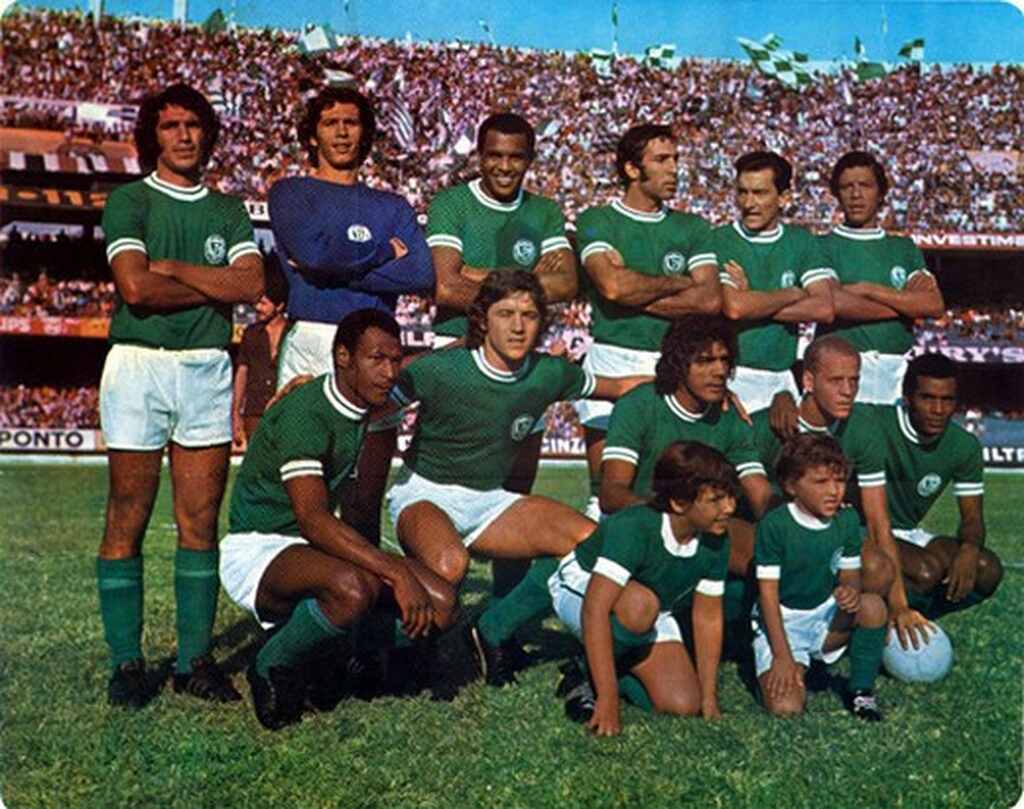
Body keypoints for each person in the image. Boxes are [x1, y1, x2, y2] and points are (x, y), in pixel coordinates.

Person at [97, 82, 264, 707]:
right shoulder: (130, 200)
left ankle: (196, 660)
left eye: (194, 125)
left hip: (205, 367)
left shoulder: (227, 210)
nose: (185, 136)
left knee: (199, 521)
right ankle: (127, 662)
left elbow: (250, 280)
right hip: (139, 364)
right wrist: (215, 288)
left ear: (209, 134)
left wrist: (178, 272)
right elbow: (136, 290)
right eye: (171, 126)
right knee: (127, 517)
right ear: (153, 137)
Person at [220, 309, 456, 730]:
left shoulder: (365, 398)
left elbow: (421, 369)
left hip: (313, 547)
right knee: (353, 587)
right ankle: (272, 662)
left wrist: (471, 344)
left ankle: (335, 652)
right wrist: (396, 575)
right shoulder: (306, 412)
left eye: (395, 360)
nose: (388, 372)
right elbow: (311, 519)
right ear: (343, 356)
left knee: (442, 604)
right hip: (261, 546)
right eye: (376, 359)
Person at [386, 271, 648, 627]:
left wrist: (699, 387)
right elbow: (375, 402)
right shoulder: (441, 369)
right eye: (505, 314)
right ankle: (390, 625)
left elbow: (620, 386)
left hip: (491, 501)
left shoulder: (548, 372)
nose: (518, 327)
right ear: (482, 319)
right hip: (424, 495)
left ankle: (495, 629)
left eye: (529, 315)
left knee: (592, 542)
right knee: (449, 565)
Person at [470, 441, 737, 736]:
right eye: (716, 500)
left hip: (645, 608)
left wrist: (709, 697)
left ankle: (591, 668)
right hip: (588, 586)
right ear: (678, 503)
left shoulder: (717, 541)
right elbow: (596, 608)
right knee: (640, 606)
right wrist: (607, 700)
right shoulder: (635, 527)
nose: (730, 508)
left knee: (683, 704)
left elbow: (708, 616)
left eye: (730, 498)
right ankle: (588, 675)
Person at [425, 111, 578, 622]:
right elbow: (445, 285)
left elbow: (567, 285)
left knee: (517, 489)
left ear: (530, 160)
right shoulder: (452, 204)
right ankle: (428, 605)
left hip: (524, 366)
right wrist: (525, 282)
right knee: (442, 487)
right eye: (495, 155)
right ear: (479, 156)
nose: (505, 166)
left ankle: (500, 621)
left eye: (516, 157)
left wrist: (480, 276)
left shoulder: (546, 212)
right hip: (460, 360)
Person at [268, 86, 433, 546]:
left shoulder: (392, 205)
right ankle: (304, 604)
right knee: (305, 491)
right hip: (315, 339)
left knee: (364, 493)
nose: (342, 131)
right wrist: (383, 253)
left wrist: (331, 269)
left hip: (378, 346)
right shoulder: (290, 193)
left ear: (365, 133)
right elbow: (311, 254)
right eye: (330, 122)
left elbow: (418, 272)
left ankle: (364, 611)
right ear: (313, 135)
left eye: (352, 122)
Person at [574, 124, 721, 520]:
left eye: (675, 159)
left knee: (676, 484)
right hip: (612, 359)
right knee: (606, 489)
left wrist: (631, 289)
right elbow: (610, 286)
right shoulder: (597, 220)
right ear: (631, 169)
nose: (674, 169)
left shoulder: (692, 227)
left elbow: (708, 300)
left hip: (672, 362)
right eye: (661, 160)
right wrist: (680, 284)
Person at [752, 336, 930, 649]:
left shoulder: (862, 427)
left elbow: (878, 520)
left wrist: (899, 603)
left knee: (877, 569)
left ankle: (828, 633)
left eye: (854, 380)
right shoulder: (771, 424)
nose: (848, 391)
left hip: (826, 535)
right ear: (808, 380)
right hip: (767, 532)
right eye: (836, 381)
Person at [600, 314, 772, 576]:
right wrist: (678, 516)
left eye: (724, 360)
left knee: (768, 555)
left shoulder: (730, 418)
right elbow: (612, 494)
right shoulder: (638, 405)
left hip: (701, 525)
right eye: (704, 361)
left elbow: (759, 492)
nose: (719, 371)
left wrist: (798, 519)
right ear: (678, 365)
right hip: (641, 523)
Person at [753, 433, 887, 721]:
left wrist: (850, 591)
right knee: (786, 708)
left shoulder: (847, 519)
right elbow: (768, 595)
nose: (834, 491)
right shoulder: (775, 525)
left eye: (839, 481)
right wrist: (782, 656)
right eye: (821, 482)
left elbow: (850, 575)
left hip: (826, 618)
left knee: (873, 606)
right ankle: (794, 665)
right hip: (783, 622)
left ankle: (861, 691)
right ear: (791, 486)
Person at [873, 353, 1003, 615]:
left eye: (947, 400)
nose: (938, 410)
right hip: (866, 532)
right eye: (927, 398)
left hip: (909, 533)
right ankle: (881, 620)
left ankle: (918, 619)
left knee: (987, 569)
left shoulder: (963, 445)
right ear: (907, 397)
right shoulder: (875, 424)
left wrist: (969, 548)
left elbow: (972, 518)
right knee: (926, 571)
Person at [818, 151, 945, 404]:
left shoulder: (903, 248)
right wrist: (905, 305)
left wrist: (868, 289)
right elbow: (834, 304)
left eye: (865, 185)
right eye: (846, 187)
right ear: (836, 194)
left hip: (896, 371)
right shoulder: (822, 246)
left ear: (881, 193)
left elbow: (933, 305)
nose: (856, 195)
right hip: (840, 371)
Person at [716, 151, 836, 413]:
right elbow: (735, 307)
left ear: (783, 198)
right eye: (742, 192)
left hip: (782, 380)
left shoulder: (801, 241)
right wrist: (793, 293)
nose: (748, 203)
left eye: (759, 193)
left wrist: (754, 300)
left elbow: (824, 308)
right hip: (732, 377)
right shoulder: (721, 240)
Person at [232, 262, 290, 450]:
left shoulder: (294, 332)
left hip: (286, 410)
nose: (257, 307)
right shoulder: (251, 333)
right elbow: (242, 372)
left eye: (264, 303)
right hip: (255, 412)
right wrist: (236, 413)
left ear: (279, 305)